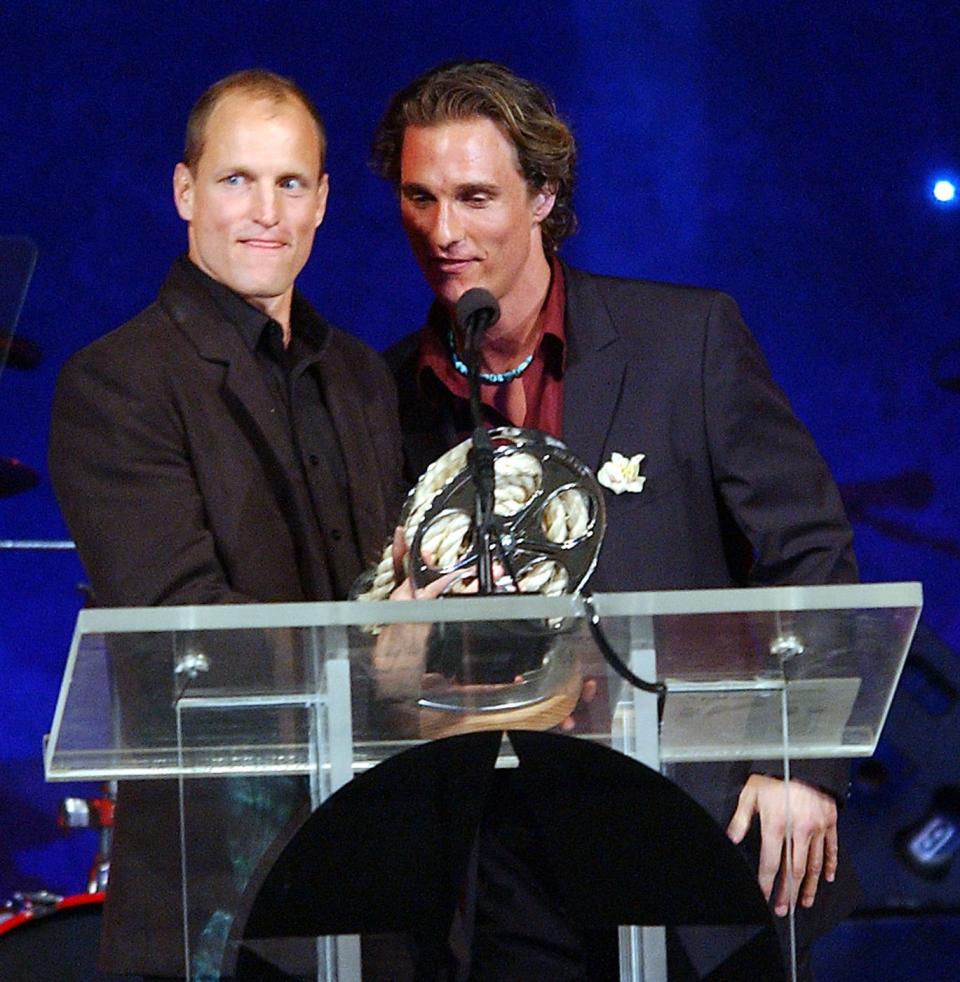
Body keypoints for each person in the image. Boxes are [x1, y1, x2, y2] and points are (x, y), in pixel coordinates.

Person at [372, 59, 860, 980]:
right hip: (503, 857)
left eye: (476, 197)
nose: (444, 231)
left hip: (705, 828)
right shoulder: (388, 396)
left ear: (544, 195)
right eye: (419, 198)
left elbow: (812, 551)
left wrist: (797, 754)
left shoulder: (686, 342)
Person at [49, 69, 402, 978]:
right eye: (236, 179)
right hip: (217, 895)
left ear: (322, 202)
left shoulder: (363, 380)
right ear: (184, 192)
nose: (266, 211)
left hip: (380, 875)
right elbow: (183, 626)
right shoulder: (119, 382)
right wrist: (380, 652)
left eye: (290, 183)